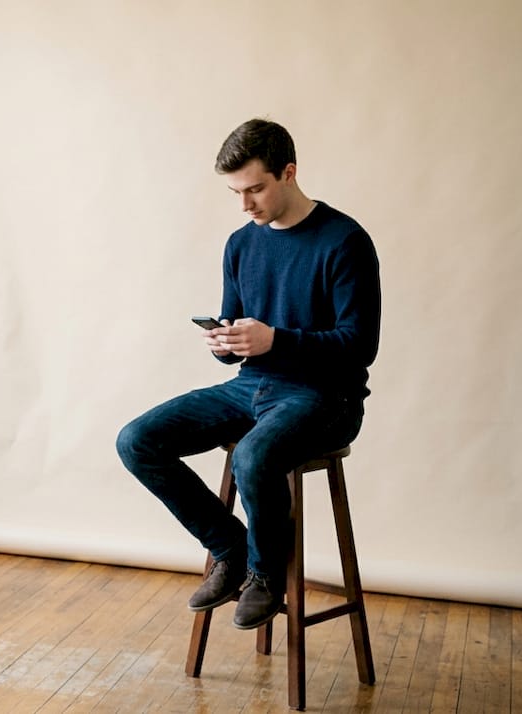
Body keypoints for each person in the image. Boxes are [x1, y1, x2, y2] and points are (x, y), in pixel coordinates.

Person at [115, 118, 381, 630]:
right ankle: (230, 549)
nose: (245, 204)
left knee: (255, 456)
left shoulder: (345, 241)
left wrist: (277, 339)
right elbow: (240, 337)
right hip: (252, 386)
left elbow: (360, 346)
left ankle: (265, 573)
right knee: (137, 441)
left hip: (328, 397)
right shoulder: (241, 244)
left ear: (289, 172)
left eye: (255, 188)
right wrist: (225, 343)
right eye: (235, 192)